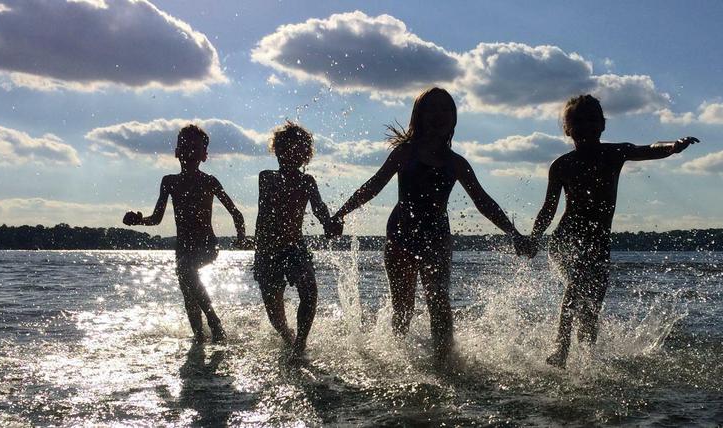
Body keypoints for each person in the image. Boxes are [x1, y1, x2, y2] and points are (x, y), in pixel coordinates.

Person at [331, 87, 534, 361]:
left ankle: (445, 362)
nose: (439, 115)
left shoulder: (456, 163)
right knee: (403, 306)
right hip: (401, 234)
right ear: (419, 116)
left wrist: (514, 233)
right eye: (432, 109)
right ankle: (399, 360)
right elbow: (374, 186)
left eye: (446, 109)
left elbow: (483, 202)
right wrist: (341, 213)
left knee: (439, 302)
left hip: (436, 237)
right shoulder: (404, 153)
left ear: (453, 118)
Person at [528, 94, 699, 367]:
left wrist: (674, 146)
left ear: (603, 125)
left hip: (598, 243)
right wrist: (534, 239)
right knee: (576, 284)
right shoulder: (562, 165)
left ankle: (587, 358)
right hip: (566, 240)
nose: (586, 126)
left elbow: (650, 148)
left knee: (592, 303)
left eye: (592, 120)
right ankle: (561, 349)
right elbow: (548, 209)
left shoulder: (614, 153)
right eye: (579, 121)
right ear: (568, 128)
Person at [123, 124, 249, 343]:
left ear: (204, 155)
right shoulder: (169, 182)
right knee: (189, 296)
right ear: (176, 152)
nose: (189, 151)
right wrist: (138, 220)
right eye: (184, 146)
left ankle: (214, 321)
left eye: (195, 147)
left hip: (207, 246)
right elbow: (156, 219)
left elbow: (236, 213)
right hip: (182, 248)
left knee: (186, 272)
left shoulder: (209, 181)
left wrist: (241, 239)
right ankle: (199, 341)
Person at [253, 121, 341, 357]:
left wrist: (329, 223)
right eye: (287, 149)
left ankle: (300, 345)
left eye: (300, 150)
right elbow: (268, 212)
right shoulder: (266, 178)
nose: (294, 154)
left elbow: (320, 209)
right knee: (275, 313)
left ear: (305, 156)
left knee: (310, 291)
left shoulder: (307, 182)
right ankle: (287, 336)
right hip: (267, 251)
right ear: (278, 151)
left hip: (294, 247)